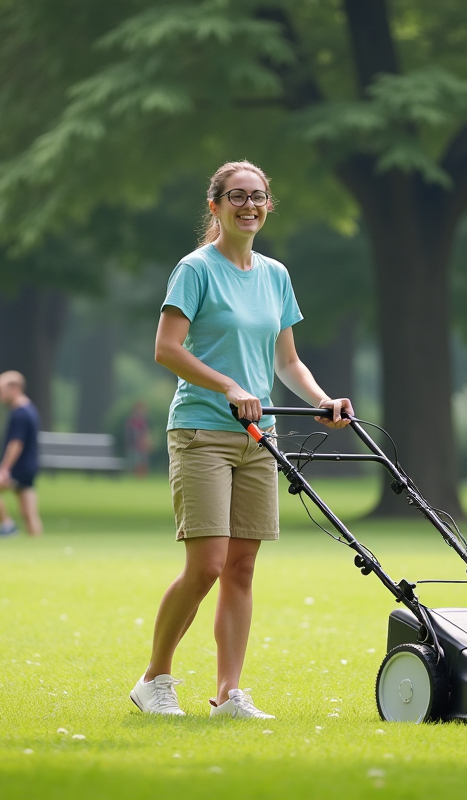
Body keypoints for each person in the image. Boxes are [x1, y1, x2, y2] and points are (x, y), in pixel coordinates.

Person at [129, 160, 353, 720]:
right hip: (203, 431)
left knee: (242, 568)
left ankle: (228, 694)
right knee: (206, 565)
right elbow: (167, 349)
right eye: (236, 197)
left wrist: (322, 400)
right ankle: (155, 678)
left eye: (258, 197)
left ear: (268, 205)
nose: (248, 206)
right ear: (216, 206)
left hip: (260, 438)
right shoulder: (195, 269)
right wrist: (228, 384)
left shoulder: (276, 275)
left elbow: (288, 360)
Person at [0, 371, 43, 537]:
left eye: (2, 390)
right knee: (29, 513)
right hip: (29, 466)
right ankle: (37, 545)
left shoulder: (20, 413)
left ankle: (7, 525)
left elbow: (16, 444)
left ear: (15, 388)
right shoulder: (30, 409)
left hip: (18, 468)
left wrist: (5, 468)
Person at [124, 401, 152, 478]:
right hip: (134, 445)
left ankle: (142, 477)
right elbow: (131, 433)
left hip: (142, 445)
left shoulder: (145, 421)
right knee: (135, 462)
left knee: (143, 462)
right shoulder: (133, 421)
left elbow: (147, 432)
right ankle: (135, 476)